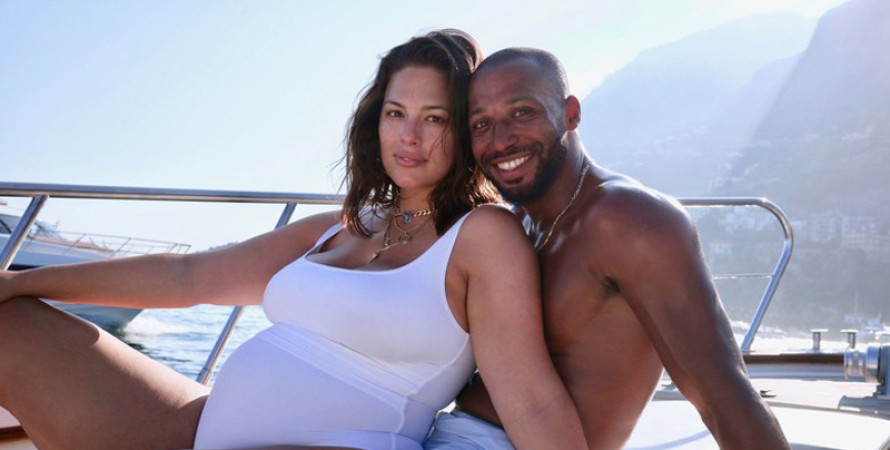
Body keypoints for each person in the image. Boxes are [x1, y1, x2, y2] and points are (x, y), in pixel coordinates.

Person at [0, 32, 587, 450]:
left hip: (347, 442)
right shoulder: (341, 224)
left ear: (463, 128)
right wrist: (20, 282)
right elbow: (188, 277)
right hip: (202, 431)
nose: (409, 136)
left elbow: (532, 401)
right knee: (9, 325)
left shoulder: (482, 234)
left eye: (434, 118)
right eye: (395, 112)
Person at [424, 48, 791, 450]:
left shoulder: (627, 220)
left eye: (522, 112)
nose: (500, 140)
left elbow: (724, 397)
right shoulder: (514, 225)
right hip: (449, 432)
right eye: (481, 124)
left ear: (570, 114)